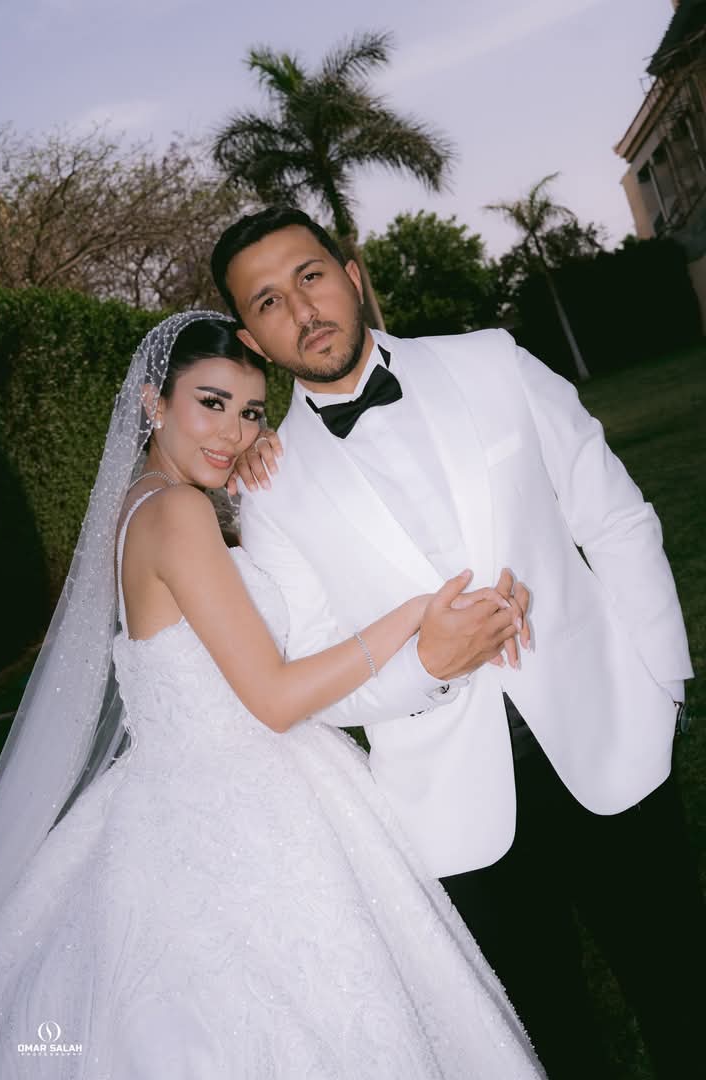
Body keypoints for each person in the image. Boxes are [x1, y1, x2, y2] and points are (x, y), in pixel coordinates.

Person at [211, 206, 706, 1080]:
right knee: (554, 1046)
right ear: (252, 338)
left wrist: (664, 682)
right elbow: (312, 671)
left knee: (683, 997)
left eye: (311, 276)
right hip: (457, 818)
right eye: (269, 301)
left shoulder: (492, 361)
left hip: (613, 737)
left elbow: (616, 517)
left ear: (351, 274)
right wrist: (428, 668)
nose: (303, 310)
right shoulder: (271, 490)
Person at [0, 311, 545, 1078]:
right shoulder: (177, 513)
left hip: (180, 796)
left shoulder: (145, 503)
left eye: (250, 412)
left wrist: (243, 470)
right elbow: (275, 700)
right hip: (245, 804)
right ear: (153, 402)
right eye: (211, 403)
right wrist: (413, 615)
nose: (235, 431)